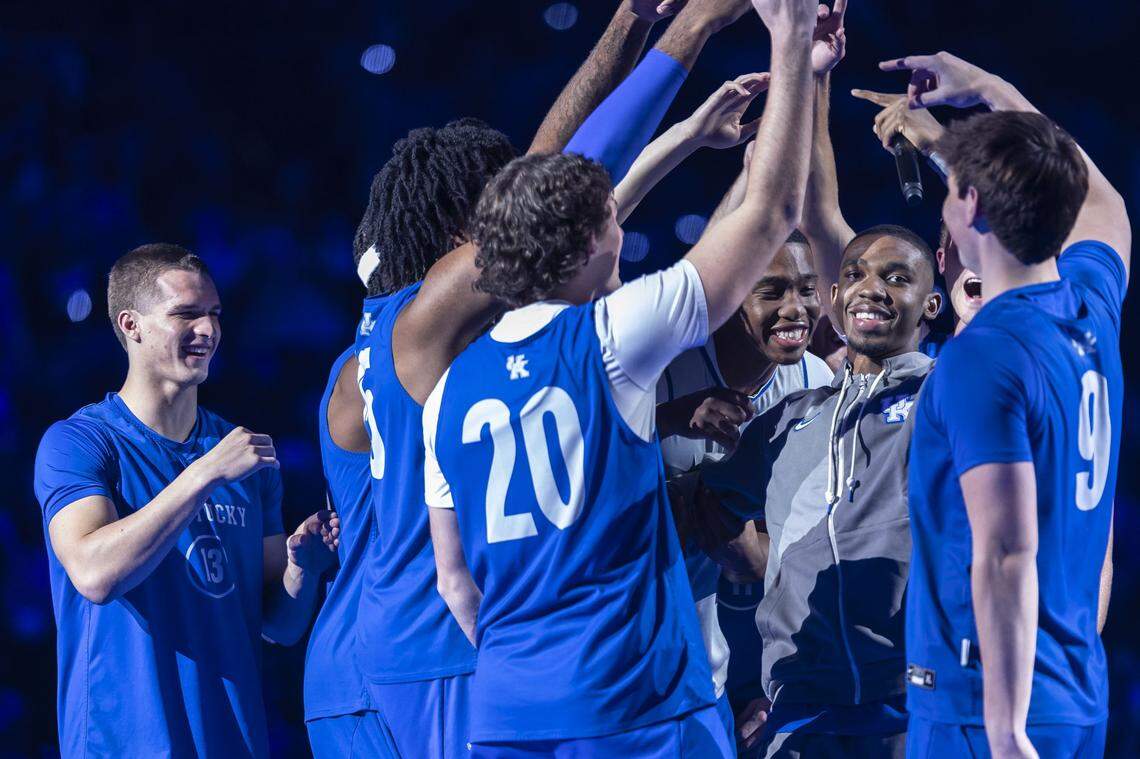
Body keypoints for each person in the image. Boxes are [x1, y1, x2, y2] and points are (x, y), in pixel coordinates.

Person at [349, 1, 759, 755]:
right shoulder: (436, 320)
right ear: (459, 236)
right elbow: (564, 162)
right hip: (472, 652)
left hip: (394, 650)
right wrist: (688, 28)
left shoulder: (373, 348)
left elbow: (575, 219)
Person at [879, 50, 1129, 759]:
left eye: (953, 183)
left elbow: (1006, 553)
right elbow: (1105, 204)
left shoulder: (983, 356)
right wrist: (992, 90)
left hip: (983, 703)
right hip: (1075, 691)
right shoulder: (1089, 308)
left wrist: (1004, 730)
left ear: (971, 206)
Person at [33, 244, 336, 758]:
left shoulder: (245, 457)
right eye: (186, 314)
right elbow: (94, 574)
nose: (209, 330)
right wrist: (204, 475)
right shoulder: (79, 442)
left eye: (214, 313)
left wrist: (302, 569)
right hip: (121, 746)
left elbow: (278, 625)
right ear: (131, 325)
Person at [697, 219, 943, 758]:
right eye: (855, 274)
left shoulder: (945, 398)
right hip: (798, 709)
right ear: (835, 297)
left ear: (930, 304)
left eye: (897, 277)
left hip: (914, 704)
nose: (872, 288)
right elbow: (693, 510)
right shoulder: (789, 420)